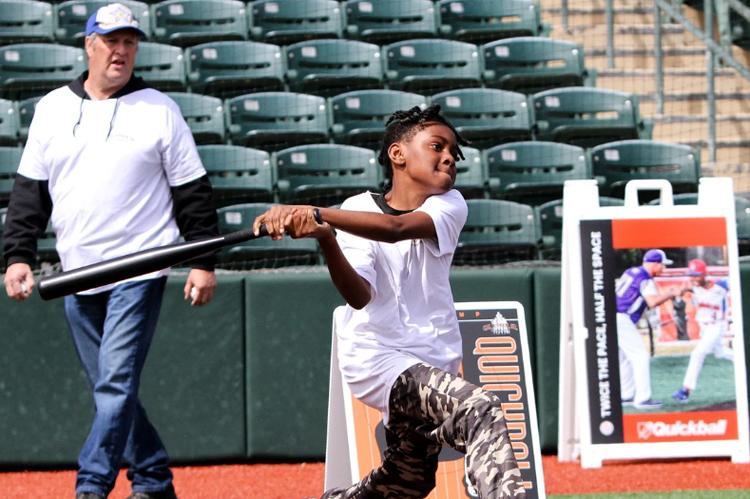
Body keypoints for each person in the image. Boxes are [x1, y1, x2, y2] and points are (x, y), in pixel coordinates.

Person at [252, 105, 525, 498]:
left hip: (434, 359)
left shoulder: (451, 204)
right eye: (436, 146)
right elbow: (359, 296)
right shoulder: (356, 210)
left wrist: (314, 215)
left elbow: (395, 229)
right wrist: (327, 238)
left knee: (408, 480)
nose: (449, 156)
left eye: (454, 153)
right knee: (479, 407)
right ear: (398, 154)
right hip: (378, 358)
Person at [2, 4, 219, 498]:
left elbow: (192, 191)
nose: (121, 51)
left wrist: (203, 262)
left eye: (130, 42)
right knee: (111, 390)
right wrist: (17, 254)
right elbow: (29, 192)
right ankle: (154, 479)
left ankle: (91, 487)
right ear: (89, 45)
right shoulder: (53, 107)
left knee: (115, 384)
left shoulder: (159, 108)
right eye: (111, 41)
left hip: (140, 267)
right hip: (78, 272)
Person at [614, 249, 681, 410]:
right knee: (640, 356)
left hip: (613, 316)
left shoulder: (631, 271)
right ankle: (643, 399)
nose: (663, 269)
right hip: (623, 318)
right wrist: (671, 293)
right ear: (655, 264)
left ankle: (626, 395)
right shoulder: (646, 278)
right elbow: (652, 302)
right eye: (662, 265)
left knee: (625, 358)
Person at [672, 259, 733, 402]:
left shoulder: (721, 285)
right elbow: (683, 295)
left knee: (697, 353)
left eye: (697, 275)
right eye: (691, 275)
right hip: (704, 327)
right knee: (721, 353)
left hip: (716, 325)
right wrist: (683, 293)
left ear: (705, 274)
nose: (693, 278)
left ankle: (685, 390)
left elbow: (737, 280)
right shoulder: (693, 287)